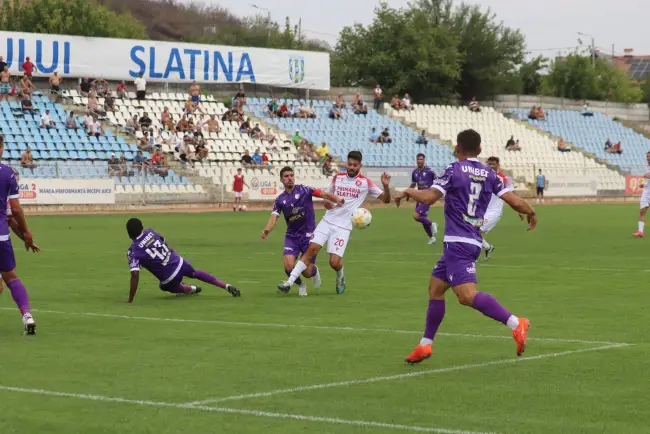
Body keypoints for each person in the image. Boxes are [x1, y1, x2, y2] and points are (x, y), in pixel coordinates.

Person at [394, 129, 537, 364]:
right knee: (436, 288)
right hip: (469, 240)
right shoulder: (490, 173)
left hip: (458, 242)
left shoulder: (453, 170)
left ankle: (515, 323)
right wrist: (531, 212)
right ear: (479, 151)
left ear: (457, 149)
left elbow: (430, 197)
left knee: (466, 296)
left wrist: (408, 190)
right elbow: (514, 201)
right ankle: (425, 345)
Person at [278, 151, 391, 294]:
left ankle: (340, 276)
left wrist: (386, 186)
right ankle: (289, 282)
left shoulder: (365, 183)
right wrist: (327, 203)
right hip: (327, 221)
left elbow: (386, 200)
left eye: (354, 165)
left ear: (360, 166)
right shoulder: (338, 178)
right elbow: (327, 197)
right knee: (311, 250)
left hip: (343, 227)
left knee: (334, 263)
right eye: (349, 164)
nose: (351, 167)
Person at [261, 167, 344, 296]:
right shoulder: (280, 200)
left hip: (309, 236)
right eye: (286, 176)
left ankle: (314, 271)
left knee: (307, 272)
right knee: (288, 267)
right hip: (292, 236)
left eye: (291, 175)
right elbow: (274, 217)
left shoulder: (305, 190)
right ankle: (301, 285)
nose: (290, 178)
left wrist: (336, 199)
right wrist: (267, 230)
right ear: (281, 179)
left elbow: (323, 194)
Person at [125, 218, 241, 303]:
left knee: (164, 286)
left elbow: (135, 274)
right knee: (194, 273)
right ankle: (225, 285)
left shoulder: (133, 251)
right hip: (178, 261)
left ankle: (192, 289)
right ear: (142, 227)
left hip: (168, 277)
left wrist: (130, 299)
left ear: (129, 234)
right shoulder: (150, 232)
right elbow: (163, 241)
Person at [0, 143, 39, 334]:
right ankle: (27, 316)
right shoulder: (7, 174)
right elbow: (13, 212)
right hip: (1, 237)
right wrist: (26, 234)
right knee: (11, 277)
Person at [480, 157, 522, 260]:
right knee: (473, 232)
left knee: (477, 231)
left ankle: (473, 257)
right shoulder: (483, 176)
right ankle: (488, 248)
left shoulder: (503, 179)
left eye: (493, 164)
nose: (490, 166)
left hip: (494, 212)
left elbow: (512, 194)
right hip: (482, 211)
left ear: (498, 165)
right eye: (489, 164)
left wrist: (519, 210)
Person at [409, 153, 438, 244]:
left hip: (427, 197)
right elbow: (413, 184)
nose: (419, 161)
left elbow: (437, 181)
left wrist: (434, 193)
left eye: (421, 159)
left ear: (424, 160)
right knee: (422, 218)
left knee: (416, 216)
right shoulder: (415, 172)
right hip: (419, 197)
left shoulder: (430, 171)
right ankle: (432, 238)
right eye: (418, 159)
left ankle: (432, 224)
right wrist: (407, 192)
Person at [633, 152, 650, 238]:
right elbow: (645, 178)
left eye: (649, 156)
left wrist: (647, 176)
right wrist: (642, 184)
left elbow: (647, 176)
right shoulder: (646, 168)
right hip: (646, 192)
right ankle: (640, 231)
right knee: (642, 212)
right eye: (647, 156)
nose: (648, 158)